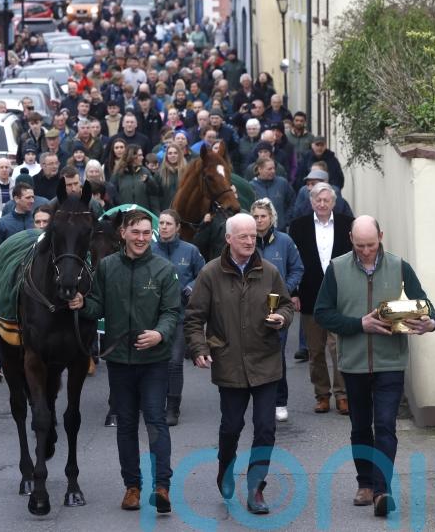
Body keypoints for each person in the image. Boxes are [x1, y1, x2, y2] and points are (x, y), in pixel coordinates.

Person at [314, 216, 435, 517]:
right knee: (359, 426)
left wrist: (429, 323)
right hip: (354, 363)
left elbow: (425, 304)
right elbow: (322, 314)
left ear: (381, 236)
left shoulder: (399, 266)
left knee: (384, 425)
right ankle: (364, 483)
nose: (366, 251)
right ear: (350, 240)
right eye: (360, 246)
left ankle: (382, 490)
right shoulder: (338, 268)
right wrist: (360, 324)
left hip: (390, 361)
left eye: (371, 244)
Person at [69, 209, 181, 514]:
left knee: (156, 422)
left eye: (147, 233)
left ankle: (162, 487)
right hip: (119, 360)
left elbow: (173, 312)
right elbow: (97, 305)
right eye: (136, 232)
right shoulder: (106, 267)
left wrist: (159, 334)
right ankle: (132, 487)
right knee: (126, 425)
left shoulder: (163, 268)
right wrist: (82, 303)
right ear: (123, 234)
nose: (142, 238)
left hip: (154, 361)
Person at [184, 213, 294, 514]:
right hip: (229, 362)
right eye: (242, 236)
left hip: (266, 361)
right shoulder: (209, 274)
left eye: (252, 235)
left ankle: (257, 488)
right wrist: (199, 347)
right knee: (231, 427)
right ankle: (225, 467)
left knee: (265, 429)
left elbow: (285, 304)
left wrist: (282, 318)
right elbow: (194, 318)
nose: (249, 241)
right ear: (228, 239)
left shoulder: (269, 271)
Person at [288, 183, 353, 414]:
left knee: (339, 348)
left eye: (327, 200)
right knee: (315, 350)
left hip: (340, 296)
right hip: (310, 295)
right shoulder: (298, 227)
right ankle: (322, 394)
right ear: (311, 202)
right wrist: (293, 293)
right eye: (318, 200)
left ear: (334, 203)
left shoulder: (347, 224)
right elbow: (291, 263)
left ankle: (342, 395)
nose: (323, 204)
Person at [250, 199, 304, 422]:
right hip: (251, 308)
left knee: (276, 354)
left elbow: (297, 268)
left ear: (271, 218)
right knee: (254, 354)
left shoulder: (285, 241)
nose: (259, 220)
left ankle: (280, 401)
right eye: (255, 216)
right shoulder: (247, 241)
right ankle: (260, 400)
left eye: (263, 216)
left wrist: (285, 290)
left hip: (278, 308)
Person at [151, 210, 205, 426]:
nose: (164, 227)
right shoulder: (150, 250)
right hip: (153, 316)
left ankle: (173, 407)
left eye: (168, 223)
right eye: (161, 223)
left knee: (174, 363)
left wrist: (191, 287)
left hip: (181, 316)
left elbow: (204, 274)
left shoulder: (190, 251)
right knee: (156, 363)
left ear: (178, 227)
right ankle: (154, 402)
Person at [110, 145, 161, 214]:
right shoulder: (118, 174)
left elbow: (154, 193)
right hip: (124, 216)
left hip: (143, 216)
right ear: (132, 156)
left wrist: (149, 181)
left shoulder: (145, 172)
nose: (142, 157)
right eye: (139, 155)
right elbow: (112, 196)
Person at [249, 157, 295, 232]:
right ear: (260, 169)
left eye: (274, 168)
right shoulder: (251, 186)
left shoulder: (282, 183)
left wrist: (286, 220)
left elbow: (292, 202)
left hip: (280, 230)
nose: (273, 171)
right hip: (259, 231)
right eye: (269, 169)